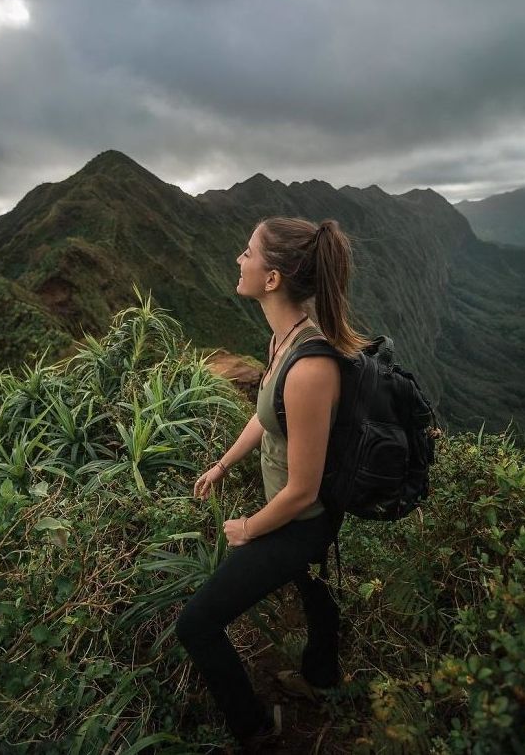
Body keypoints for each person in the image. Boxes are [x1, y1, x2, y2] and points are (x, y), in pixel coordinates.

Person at [175, 217, 368, 750]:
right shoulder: (283, 338)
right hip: (299, 515)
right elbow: (265, 414)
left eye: (248, 253)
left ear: (272, 278)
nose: (239, 258)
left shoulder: (310, 368)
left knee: (196, 624)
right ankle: (322, 678)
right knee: (315, 591)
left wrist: (248, 529)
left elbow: (303, 491)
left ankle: (257, 732)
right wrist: (223, 463)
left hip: (300, 521)